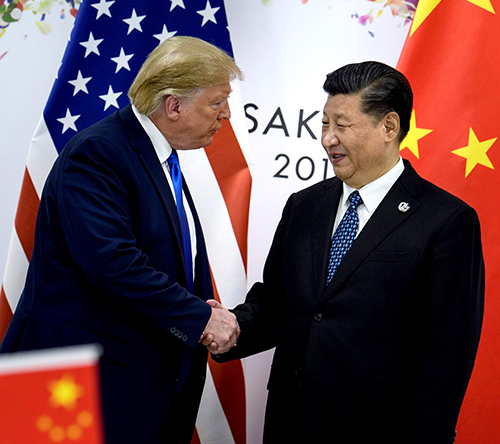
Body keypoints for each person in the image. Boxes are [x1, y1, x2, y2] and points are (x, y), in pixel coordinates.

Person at [212, 61, 484, 444]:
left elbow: (447, 355)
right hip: (290, 424)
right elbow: (277, 303)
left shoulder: (446, 221)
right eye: (325, 124)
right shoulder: (303, 206)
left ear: (389, 127)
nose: (328, 139)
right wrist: (232, 328)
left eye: (342, 125)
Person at [0, 36, 241, 443]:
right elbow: (112, 262)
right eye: (216, 103)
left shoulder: (157, 157)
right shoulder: (99, 153)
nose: (227, 115)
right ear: (174, 104)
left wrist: (197, 307)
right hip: (74, 387)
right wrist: (200, 317)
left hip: (127, 387)